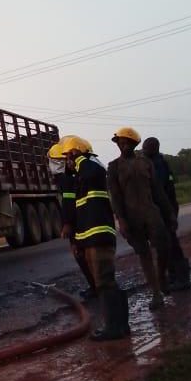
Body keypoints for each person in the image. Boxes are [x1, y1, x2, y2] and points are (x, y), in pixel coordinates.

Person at [60, 135, 129, 340]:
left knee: (105, 282)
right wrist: (79, 242)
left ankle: (115, 327)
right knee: (103, 282)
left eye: (68, 157)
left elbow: (94, 172)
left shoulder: (92, 169)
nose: (67, 162)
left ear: (76, 153)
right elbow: (82, 214)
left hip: (100, 237)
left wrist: (79, 158)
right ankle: (119, 325)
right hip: (90, 238)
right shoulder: (80, 179)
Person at [108, 127, 175, 310]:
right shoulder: (114, 167)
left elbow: (158, 191)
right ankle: (155, 294)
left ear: (134, 144)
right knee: (144, 254)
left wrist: (169, 213)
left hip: (151, 212)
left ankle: (161, 277)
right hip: (131, 217)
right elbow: (115, 196)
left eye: (126, 142)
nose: (123, 146)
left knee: (163, 247)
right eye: (120, 143)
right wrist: (121, 220)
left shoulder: (145, 163)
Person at [48, 141, 96, 299]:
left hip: (78, 225)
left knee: (80, 255)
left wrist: (67, 225)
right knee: (86, 255)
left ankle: (95, 287)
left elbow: (68, 204)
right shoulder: (76, 176)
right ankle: (96, 285)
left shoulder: (66, 180)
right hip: (85, 221)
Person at [142, 136, 191, 291]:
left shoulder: (158, 165)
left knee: (172, 244)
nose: (143, 150)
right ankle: (173, 276)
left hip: (166, 208)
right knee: (164, 244)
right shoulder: (157, 163)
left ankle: (182, 279)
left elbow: (160, 189)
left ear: (154, 148)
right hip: (163, 208)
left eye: (146, 147)